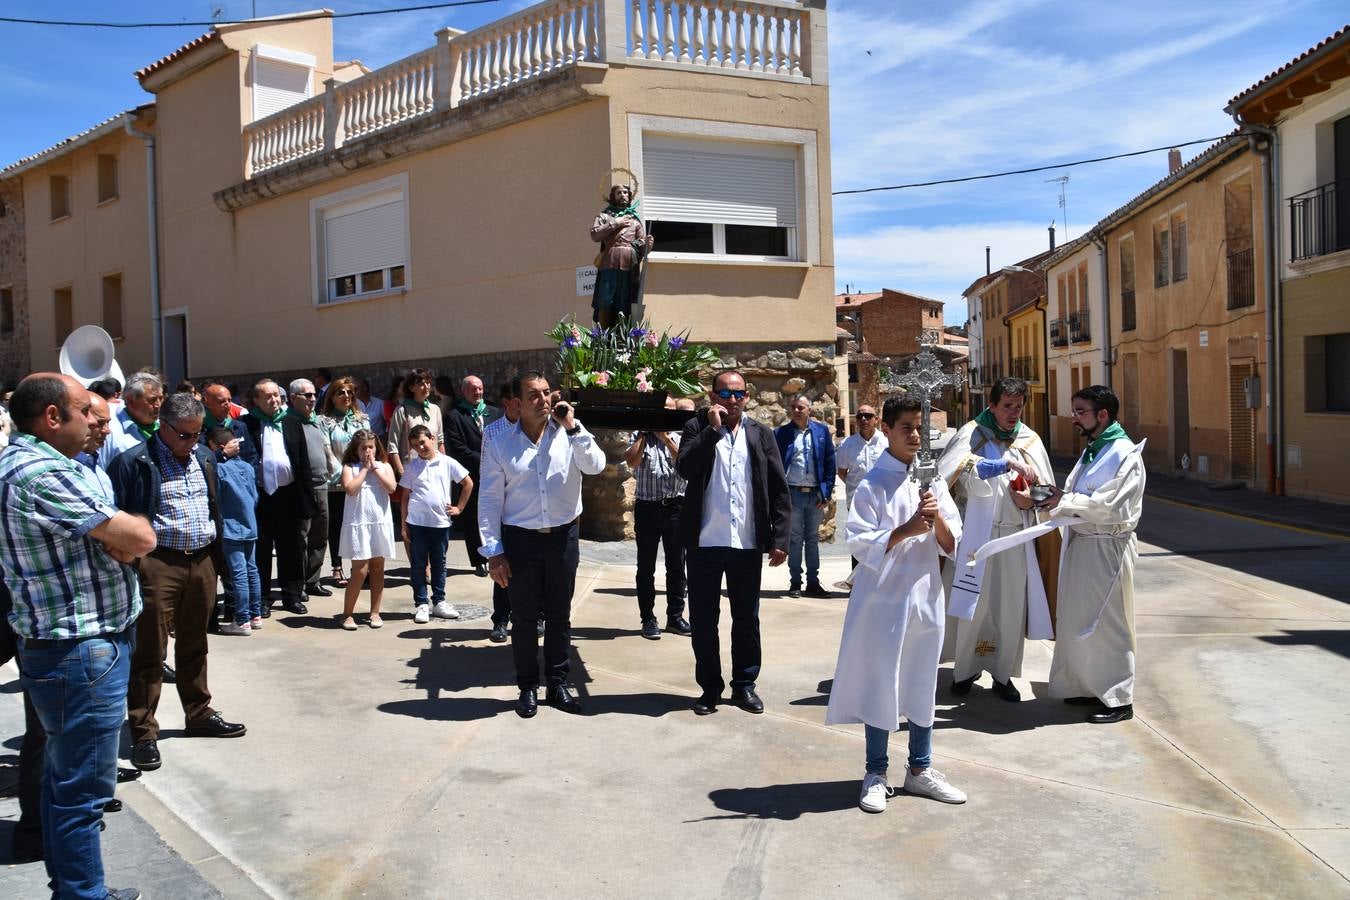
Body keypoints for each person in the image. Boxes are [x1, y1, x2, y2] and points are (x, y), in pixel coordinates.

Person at [0, 373, 155, 899]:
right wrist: (124, 538)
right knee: (82, 792)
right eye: (83, 411)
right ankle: (82, 896)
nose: (95, 419)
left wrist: (118, 540)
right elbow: (139, 537)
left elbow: (120, 541)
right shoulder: (41, 472)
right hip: (80, 649)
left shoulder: (40, 464)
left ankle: (71, 887)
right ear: (51, 417)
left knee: (61, 780)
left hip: (70, 646)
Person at [826, 396, 968, 813]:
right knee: (882, 682)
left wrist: (936, 515)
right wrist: (905, 529)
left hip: (925, 595)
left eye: (920, 427)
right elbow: (859, 542)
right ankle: (875, 772)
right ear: (886, 429)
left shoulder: (934, 480)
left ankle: (920, 770)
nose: (914, 434)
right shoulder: (872, 483)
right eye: (905, 426)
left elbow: (950, 543)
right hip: (883, 602)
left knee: (923, 682)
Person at [108, 392, 247, 774]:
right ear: (164, 428)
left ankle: (198, 713)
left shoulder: (203, 457)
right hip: (157, 564)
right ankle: (143, 731)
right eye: (184, 435)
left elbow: (213, 506)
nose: (193, 443)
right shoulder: (134, 462)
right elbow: (118, 517)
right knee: (150, 652)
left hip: (200, 560)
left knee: (195, 643)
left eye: (198, 434)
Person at [479, 372, 606, 718]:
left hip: (563, 538)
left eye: (547, 393)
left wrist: (575, 428)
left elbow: (596, 466)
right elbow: (489, 499)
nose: (543, 400)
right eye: (533, 395)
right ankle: (527, 687)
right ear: (518, 403)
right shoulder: (500, 443)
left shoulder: (570, 433)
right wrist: (494, 551)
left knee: (559, 616)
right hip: (520, 542)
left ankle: (558, 682)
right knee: (523, 620)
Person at [676, 371, 791, 716]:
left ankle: (744, 685)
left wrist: (780, 537)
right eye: (724, 393)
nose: (732, 399)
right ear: (712, 396)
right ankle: (710, 688)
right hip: (704, 542)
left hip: (745, 542)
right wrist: (712, 430)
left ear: (747, 396)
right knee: (703, 620)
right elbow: (684, 468)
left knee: (746, 618)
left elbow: (778, 487)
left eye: (738, 393)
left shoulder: (761, 434)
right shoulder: (696, 428)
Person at [938, 376, 1053, 702]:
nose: (1013, 413)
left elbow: (1047, 492)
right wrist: (1002, 464)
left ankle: (1003, 674)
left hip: (1015, 537)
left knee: (1009, 607)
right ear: (991, 405)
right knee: (973, 606)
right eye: (1007, 407)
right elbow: (949, 473)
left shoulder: (1029, 440)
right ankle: (965, 671)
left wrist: (1031, 499)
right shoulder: (970, 435)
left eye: (1019, 407)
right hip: (978, 536)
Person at [1040, 386, 1146, 724]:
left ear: (1103, 415)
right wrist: (1053, 499)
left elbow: (1111, 506)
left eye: (1080, 411)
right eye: (1073, 410)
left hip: (1107, 548)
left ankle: (1118, 698)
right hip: (1083, 545)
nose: (1074, 418)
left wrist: (1064, 502)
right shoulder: (1094, 451)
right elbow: (1076, 494)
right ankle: (1087, 686)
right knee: (1078, 621)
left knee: (1108, 621)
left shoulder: (1124, 453)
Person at [243, 379, 319, 615]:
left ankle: (292, 595)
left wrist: (307, 499)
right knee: (262, 549)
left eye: (276, 395)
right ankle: (263, 597)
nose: (274, 400)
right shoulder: (247, 424)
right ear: (256, 400)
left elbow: (302, 462)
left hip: (288, 494)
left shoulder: (292, 422)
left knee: (292, 548)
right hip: (261, 496)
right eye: (268, 396)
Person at [623, 396, 691, 640]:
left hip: (675, 508)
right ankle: (648, 618)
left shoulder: (681, 435)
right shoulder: (639, 436)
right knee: (646, 567)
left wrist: (665, 437)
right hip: (648, 508)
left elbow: (685, 464)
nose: (664, 415)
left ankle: (675, 617)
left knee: (676, 565)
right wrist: (644, 433)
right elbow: (631, 462)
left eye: (669, 411)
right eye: (660, 411)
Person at [480, 380, 536, 643]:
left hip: (531, 511)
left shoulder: (538, 428)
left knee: (534, 571)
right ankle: (501, 620)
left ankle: (535, 618)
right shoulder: (493, 432)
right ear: (510, 403)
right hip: (505, 510)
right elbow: (487, 475)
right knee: (504, 568)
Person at [399, 424, 473, 624]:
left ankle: (439, 601)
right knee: (418, 564)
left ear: (432, 439)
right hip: (417, 523)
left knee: (439, 563)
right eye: (415, 445)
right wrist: (404, 524)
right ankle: (421, 603)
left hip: (440, 523)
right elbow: (405, 496)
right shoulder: (412, 467)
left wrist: (459, 508)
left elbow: (468, 483)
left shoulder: (447, 462)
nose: (420, 448)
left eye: (422, 442)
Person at [774, 394, 836, 598]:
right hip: (793, 494)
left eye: (801, 407)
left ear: (809, 409)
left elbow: (829, 463)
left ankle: (813, 582)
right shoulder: (782, 433)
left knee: (811, 539)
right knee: (794, 540)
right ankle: (795, 582)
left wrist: (825, 492)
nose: (797, 410)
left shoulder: (821, 432)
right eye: (794, 407)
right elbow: (775, 464)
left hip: (816, 496)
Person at [338, 430, 397, 630]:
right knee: (359, 571)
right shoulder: (350, 467)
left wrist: (376, 469)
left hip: (378, 523)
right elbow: (350, 489)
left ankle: (375, 612)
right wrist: (364, 470)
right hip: (359, 524)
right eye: (364, 448)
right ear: (356, 450)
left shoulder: (385, 466)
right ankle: (347, 614)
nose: (368, 451)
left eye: (371, 447)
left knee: (378, 568)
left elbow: (391, 487)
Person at [208, 427, 262, 636]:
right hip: (250, 524)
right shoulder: (248, 467)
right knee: (252, 571)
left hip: (231, 527)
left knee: (239, 575)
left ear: (218, 447)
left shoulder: (220, 470)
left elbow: (216, 495)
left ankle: (242, 620)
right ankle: (255, 615)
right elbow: (255, 497)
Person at [290, 378, 339, 599]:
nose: (312, 399)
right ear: (293, 398)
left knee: (320, 535)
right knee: (301, 537)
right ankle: (298, 584)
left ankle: (313, 580)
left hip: (322, 485)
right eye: (306, 395)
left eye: (313, 395)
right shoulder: (289, 423)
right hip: (301, 488)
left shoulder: (318, 422)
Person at [319, 376, 369, 586]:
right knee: (338, 524)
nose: (346, 396)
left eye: (350, 392)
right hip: (337, 481)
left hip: (361, 478)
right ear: (332, 397)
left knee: (360, 523)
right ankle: (337, 566)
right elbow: (326, 449)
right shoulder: (324, 421)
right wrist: (344, 474)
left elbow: (368, 445)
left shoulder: (362, 418)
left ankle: (360, 566)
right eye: (341, 392)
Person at [444, 374, 494, 578]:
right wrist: (483, 460)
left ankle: (497, 553)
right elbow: (456, 447)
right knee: (473, 518)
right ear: (463, 391)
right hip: (471, 476)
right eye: (473, 388)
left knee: (496, 516)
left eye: (480, 388)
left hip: (496, 474)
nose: (477, 392)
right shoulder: (454, 416)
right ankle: (479, 560)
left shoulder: (494, 412)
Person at [589, 183, 654, 327]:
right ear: (613, 197)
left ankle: (622, 337)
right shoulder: (604, 216)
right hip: (609, 262)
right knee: (605, 299)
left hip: (630, 263)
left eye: (625, 192)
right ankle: (603, 336)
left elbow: (641, 246)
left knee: (624, 300)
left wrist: (648, 245)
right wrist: (615, 223)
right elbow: (595, 235)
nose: (623, 195)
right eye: (619, 193)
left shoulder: (635, 221)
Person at [836, 405, 887, 571]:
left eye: (868, 415)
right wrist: (858, 488)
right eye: (860, 416)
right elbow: (842, 472)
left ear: (876, 419)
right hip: (857, 502)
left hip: (883, 502)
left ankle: (880, 586)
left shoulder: (887, 442)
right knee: (858, 544)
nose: (864, 419)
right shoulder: (847, 444)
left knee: (883, 542)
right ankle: (857, 585)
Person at [98, 371, 164, 468]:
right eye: (152, 400)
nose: (158, 405)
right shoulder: (110, 430)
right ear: (130, 401)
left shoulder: (165, 425)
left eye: (161, 398)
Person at [386, 368, 443, 479]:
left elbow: (440, 441)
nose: (426, 387)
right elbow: (392, 445)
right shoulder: (402, 410)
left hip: (435, 469)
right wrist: (402, 471)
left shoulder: (435, 409)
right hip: (412, 470)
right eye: (421, 384)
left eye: (428, 383)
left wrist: (444, 467)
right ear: (411, 388)